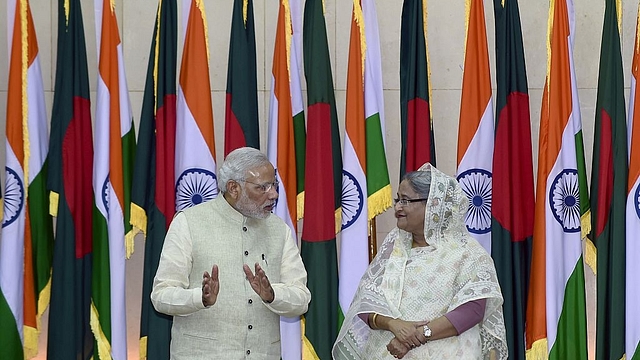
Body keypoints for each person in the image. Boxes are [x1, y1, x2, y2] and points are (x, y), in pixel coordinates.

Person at [332, 163, 507, 359]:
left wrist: (417, 335)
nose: (397, 207)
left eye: (405, 200)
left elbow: (472, 310)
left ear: (433, 204)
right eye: (398, 199)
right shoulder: (394, 245)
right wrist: (392, 324)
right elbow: (365, 303)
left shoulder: (466, 251)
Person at [151, 147, 311, 359]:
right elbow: (161, 296)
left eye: (274, 185)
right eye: (262, 187)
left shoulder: (278, 230)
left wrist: (273, 295)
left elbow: (301, 298)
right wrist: (200, 298)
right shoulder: (189, 223)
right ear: (233, 188)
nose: (273, 194)